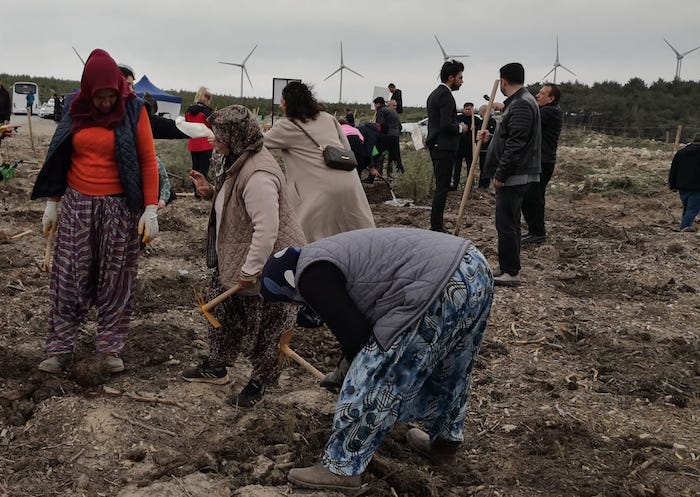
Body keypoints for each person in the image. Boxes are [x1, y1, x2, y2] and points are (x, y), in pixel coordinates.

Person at [259, 227, 494, 493]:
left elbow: (358, 339)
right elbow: (355, 319)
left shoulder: (309, 276)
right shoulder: (322, 256)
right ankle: (445, 443)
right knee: (452, 365)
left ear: (286, 285)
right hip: (473, 268)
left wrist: (348, 375)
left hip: (436, 283)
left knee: (376, 371)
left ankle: (341, 467)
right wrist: (342, 368)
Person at [31, 48, 160, 374]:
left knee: (116, 279)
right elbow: (59, 154)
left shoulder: (134, 109)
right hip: (77, 205)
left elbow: (147, 160)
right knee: (68, 277)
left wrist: (150, 208)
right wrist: (52, 202)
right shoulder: (75, 107)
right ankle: (60, 349)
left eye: (110, 96)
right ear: (88, 91)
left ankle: (109, 349)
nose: (105, 103)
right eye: (99, 97)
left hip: (119, 208)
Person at [182, 105, 306, 406]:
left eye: (220, 137)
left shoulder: (259, 174)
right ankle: (217, 366)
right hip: (240, 253)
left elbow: (267, 228)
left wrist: (251, 270)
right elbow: (236, 203)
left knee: (269, 323)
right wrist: (210, 192)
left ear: (236, 136)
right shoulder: (238, 159)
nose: (215, 142)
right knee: (223, 310)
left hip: (271, 262)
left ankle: (260, 382)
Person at [263, 81, 375, 242]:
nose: (280, 105)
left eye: (282, 101)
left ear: (289, 103)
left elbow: (257, 143)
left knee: (309, 241)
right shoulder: (328, 118)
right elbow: (346, 147)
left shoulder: (287, 127)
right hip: (349, 184)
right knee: (355, 237)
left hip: (318, 190)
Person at [479, 62, 541, 287]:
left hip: (514, 174)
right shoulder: (520, 101)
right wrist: (490, 138)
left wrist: (502, 173)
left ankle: (510, 272)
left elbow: (516, 143)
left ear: (504, 82)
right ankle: (508, 267)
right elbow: (509, 136)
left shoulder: (521, 103)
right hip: (516, 173)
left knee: (506, 223)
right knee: (510, 222)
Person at [426, 59, 469, 232]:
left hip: (437, 145)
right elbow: (445, 125)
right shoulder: (446, 96)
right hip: (444, 147)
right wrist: (460, 127)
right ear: (451, 78)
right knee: (442, 188)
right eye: (460, 77)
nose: (462, 81)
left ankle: (436, 224)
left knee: (441, 186)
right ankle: (436, 226)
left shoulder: (434, 94)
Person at [521, 83, 563, 244]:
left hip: (543, 162)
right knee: (531, 196)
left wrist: (507, 107)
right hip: (540, 161)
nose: (537, 95)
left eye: (542, 93)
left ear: (551, 98)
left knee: (533, 197)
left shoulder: (550, 112)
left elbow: (529, 118)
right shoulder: (546, 111)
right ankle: (535, 231)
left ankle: (538, 233)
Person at [186, 87, 215, 197]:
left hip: (193, 143)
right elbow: (213, 127)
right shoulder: (207, 112)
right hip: (205, 144)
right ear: (207, 98)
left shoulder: (188, 111)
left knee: (195, 168)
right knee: (203, 170)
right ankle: (202, 192)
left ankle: (196, 192)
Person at [669, 132, 700, 232]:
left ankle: (685, 226)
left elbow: (673, 169)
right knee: (692, 209)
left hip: (682, 186)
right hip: (697, 187)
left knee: (687, 208)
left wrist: (672, 185)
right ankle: (684, 229)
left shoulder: (681, 153)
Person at [453, 102, 482, 191]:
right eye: (466, 109)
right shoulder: (458, 118)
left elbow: (480, 131)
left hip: (470, 146)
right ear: (464, 109)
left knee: (470, 166)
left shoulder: (476, 119)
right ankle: (455, 184)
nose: (468, 111)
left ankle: (470, 185)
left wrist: (475, 128)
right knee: (457, 166)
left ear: (473, 109)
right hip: (459, 146)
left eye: (470, 109)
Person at [373, 96, 403, 177]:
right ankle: (398, 175)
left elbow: (382, 125)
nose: (375, 107)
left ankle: (373, 175)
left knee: (375, 155)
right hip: (395, 137)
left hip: (386, 137)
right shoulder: (393, 112)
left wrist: (381, 135)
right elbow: (400, 127)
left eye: (375, 105)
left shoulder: (381, 111)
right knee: (395, 158)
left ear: (378, 104)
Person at [477, 104, 497, 189]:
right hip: (481, 149)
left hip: (488, 149)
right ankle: (481, 185)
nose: (479, 112)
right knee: (482, 167)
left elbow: (493, 134)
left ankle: (485, 185)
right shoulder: (481, 122)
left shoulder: (492, 121)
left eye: (480, 111)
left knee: (487, 167)